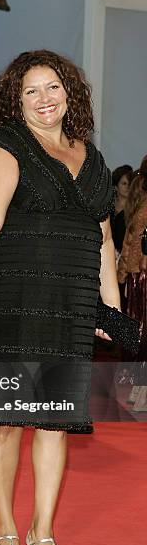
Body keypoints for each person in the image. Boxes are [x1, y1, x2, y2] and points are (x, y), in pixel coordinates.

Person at [0, 49, 120, 545]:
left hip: (70, 303)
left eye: (52, 87)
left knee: (54, 421)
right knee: (5, 420)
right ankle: (5, 527)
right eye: (31, 91)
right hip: (16, 302)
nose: (44, 99)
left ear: (69, 92)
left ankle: (41, 530)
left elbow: (103, 239)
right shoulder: (6, 148)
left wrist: (110, 308)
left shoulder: (90, 155)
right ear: (16, 99)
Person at [118, 155, 147, 409]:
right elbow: (132, 244)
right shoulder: (142, 207)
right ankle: (140, 393)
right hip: (139, 277)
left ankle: (140, 393)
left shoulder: (143, 208)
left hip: (141, 277)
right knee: (140, 336)